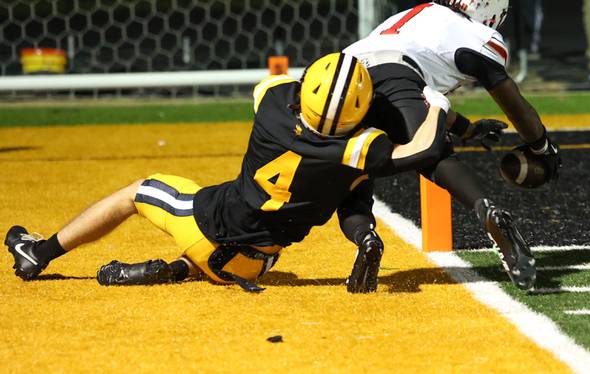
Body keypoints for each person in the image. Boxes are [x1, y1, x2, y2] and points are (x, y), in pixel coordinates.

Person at [5, 53, 451, 293]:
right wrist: (438, 103)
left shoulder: (274, 102)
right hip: (252, 264)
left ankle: (40, 252)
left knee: (136, 192)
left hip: (205, 224)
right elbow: (422, 149)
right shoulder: (360, 148)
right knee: (354, 183)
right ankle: (181, 271)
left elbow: (280, 88)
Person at [345, 0, 562, 291]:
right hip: (397, 76)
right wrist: (541, 145)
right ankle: (484, 208)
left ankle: (365, 238)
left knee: (350, 165)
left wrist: (467, 129)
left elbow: (417, 92)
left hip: (344, 77)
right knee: (431, 153)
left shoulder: (411, 15)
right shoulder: (478, 35)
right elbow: (512, 102)